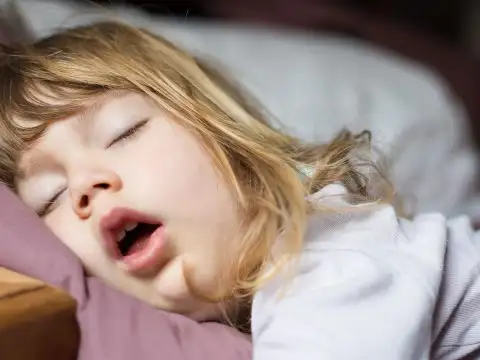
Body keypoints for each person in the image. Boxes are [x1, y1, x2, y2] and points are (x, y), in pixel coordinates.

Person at [0, 21, 479, 359]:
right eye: (51, 197)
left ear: (227, 142)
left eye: (122, 133)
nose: (86, 185)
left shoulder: (327, 251)